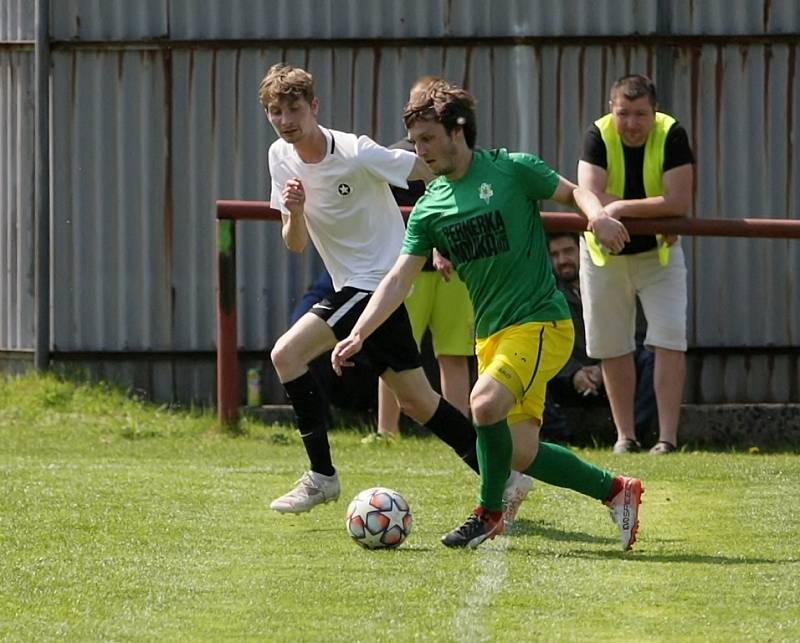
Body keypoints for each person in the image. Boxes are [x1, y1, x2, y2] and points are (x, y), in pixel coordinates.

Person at [331, 80, 643, 551]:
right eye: (415, 142)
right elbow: (398, 278)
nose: (420, 151)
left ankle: (488, 513)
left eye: (428, 139)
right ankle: (617, 491)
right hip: (491, 335)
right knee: (518, 450)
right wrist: (358, 333)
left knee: (481, 404)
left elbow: (575, 192)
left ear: (458, 131)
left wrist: (597, 216)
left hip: (540, 322)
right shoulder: (429, 206)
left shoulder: (513, 169)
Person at [259, 63, 533, 516]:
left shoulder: (357, 152)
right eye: (275, 112)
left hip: (377, 282)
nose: (286, 120)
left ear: (314, 106)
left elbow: (431, 170)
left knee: (286, 354)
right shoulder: (279, 156)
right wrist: (294, 211)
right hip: (351, 284)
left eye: (293, 109)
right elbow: (295, 243)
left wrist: (444, 233)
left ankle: (322, 477)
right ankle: (504, 479)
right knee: (419, 401)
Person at [577, 74, 694, 455]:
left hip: (658, 255)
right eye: (623, 113)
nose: (631, 123)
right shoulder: (597, 134)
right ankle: (624, 436)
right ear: (611, 109)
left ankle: (667, 439)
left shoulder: (672, 133)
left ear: (654, 111)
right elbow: (589, 194)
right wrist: (653, 204)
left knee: (670, 340)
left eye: (640, 114)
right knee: (612, 345)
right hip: (604, 258)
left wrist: (621, 207)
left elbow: (679, 201)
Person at [371, 77, 475, 444]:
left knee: (454, 353)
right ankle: (387, 431)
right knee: (393, 355)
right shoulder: (392, 156)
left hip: (453, 269)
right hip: (406, 267)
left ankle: (460, 432)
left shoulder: (457, 157)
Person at [542, 232, 657, 444]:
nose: (562, 260)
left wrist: (606, 368)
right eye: (555, 255)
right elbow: (545, 344)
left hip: (617, 373)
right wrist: (573, 372)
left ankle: (635, 436)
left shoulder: (615, 286)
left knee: (652, 358)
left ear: (582, 251)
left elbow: (640, 335)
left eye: (568, 251)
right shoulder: (549, 297)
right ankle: (558, 438)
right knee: (529, 362)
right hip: (568, 381)